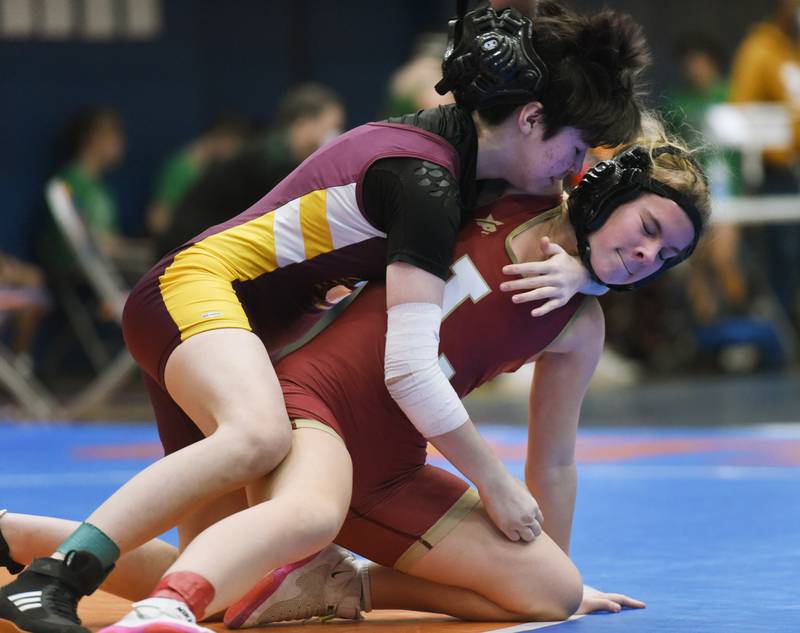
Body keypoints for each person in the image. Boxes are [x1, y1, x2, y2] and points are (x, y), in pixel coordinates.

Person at [0, 4, 650, 632]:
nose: (575, 174)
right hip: (199, 291)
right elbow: (410, 367)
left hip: (247, 325)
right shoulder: (427, 182)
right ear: (532, 117)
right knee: (258, 437)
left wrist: (587, 272)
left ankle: (9, 536)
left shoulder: (464, 164)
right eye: (576, 151)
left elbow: (596, 222)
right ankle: (56, 577)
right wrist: (495, 483)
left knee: (230, 585)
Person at [155, 83, 345, 255]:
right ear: (304, 124)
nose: (336, 135)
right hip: (189, 251)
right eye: (332, 126)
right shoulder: (268, 161)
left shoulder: (279, 158)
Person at [145, 116, 252, 239]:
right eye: (233, 144)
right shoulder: (184, 169)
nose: (234, 153)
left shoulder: (216, 169)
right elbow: (158, 219)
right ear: (221, 138)